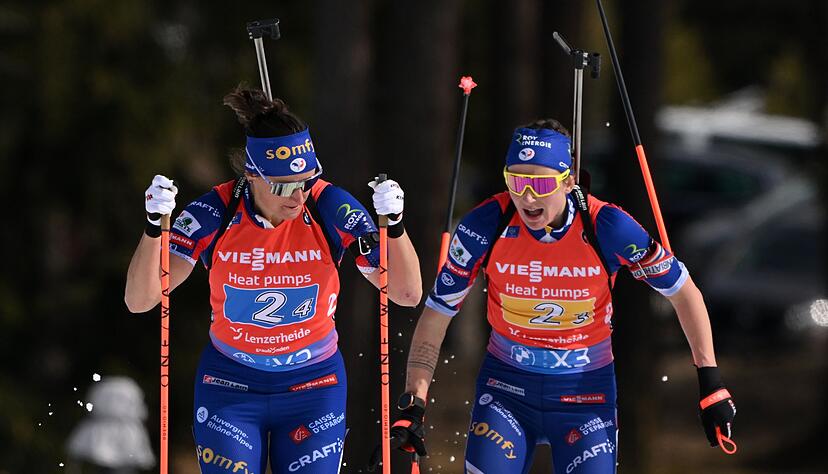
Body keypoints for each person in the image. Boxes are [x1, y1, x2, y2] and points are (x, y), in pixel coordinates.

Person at [387, 119, 736, 473]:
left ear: (568, 181)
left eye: (540, 183)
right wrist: (413, 403)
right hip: (507, 387)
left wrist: (711, 383)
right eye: (516, 181)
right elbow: (437, 314)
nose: (527, 197)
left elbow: (682, 292)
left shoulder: (607, 226)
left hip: (584, 394)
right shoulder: (484, 226)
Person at [125, 86, 422, 473]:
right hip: (229, 385)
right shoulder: (216, 210)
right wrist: (153, 229)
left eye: (306, 180)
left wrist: (394, 227)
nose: (298, 195)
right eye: (283, 185)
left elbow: (406, 293)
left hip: (314, 386)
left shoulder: (328, 205)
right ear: (252, 175)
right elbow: (140, 299)